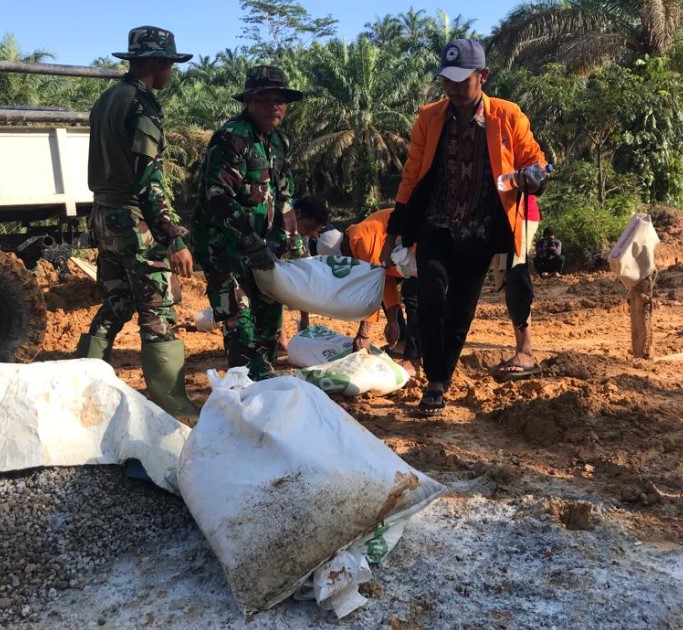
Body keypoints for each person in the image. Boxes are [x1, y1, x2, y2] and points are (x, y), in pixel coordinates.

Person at [381, 38, 548, 415]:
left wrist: (531, 178)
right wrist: (395, 230)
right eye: (447, 80)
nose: (454, 89)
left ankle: (440, 378)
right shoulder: (429, 117)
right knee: (428, 297)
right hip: (436, 224)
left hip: (481, 230)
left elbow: (537, 162)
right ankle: (435, 380)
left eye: (462, 80)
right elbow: (411, 176)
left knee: (460, 308)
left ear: (482, 76)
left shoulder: (507, 116)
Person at [76, 26, 199, 419]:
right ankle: (172, 407)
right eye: (170, 65)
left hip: (103, 216)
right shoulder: (142, 106)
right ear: (158, 63)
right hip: (134, 222)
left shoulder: (106, 99)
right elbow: (147, 181)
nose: (171, 73)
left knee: (116, 302)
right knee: (157, 310)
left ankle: (82, 384)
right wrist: (173, 237)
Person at [192, 65, 310, 381]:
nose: (275, 106)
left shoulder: (279, 142)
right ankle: (245, 388)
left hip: (264, 248)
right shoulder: (232, 138)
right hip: (225, 247)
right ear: (250, 102)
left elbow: (285, 195)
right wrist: (249, 242)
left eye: (280, 100)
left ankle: (261, 383)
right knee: (239, 318)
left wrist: (291, 242)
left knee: (270, 318)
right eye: (266, 100)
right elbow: (218, 197)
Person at [316, 208, 421, 376]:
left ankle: (414, 358)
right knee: (410, 294)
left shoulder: (361, 239)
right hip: (408, 257)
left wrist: (363, 335)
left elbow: (373, 286)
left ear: (343, 248)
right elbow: (384, 281)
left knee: (414, 298)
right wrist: (393, 321)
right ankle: (402, 342)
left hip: (418, 244)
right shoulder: (357, 240)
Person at [491, 194, 542, 380]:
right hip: (501, 219)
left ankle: (526, 352)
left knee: (515, 275)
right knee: (507, 280)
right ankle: (521, 349)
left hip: (520, 215)